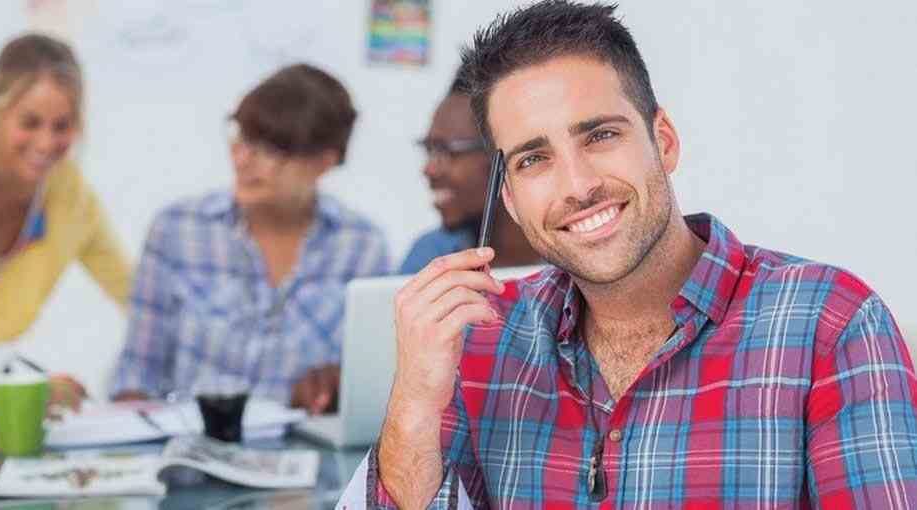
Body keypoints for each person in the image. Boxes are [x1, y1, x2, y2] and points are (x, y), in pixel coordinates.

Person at [345, 2, 917, 508]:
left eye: (600, 136)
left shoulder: (831, 324)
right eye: (533, 159)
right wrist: (413, 401)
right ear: (511, 200)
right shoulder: (481, 337)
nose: (578, 185)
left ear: (663, 141)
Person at [111, 64, 390, 414]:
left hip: (303, 447)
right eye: (242, 138)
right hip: (185, 444)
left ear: (323, 161)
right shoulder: (177, 229)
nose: (242, 159)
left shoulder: (362, 248)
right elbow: (136, 375)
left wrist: (332, 389)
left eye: (269, 150)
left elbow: (367, 390)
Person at [0, 34, 131, 419]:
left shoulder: (70, 197)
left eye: (62, 126)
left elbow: (135, 290)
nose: (46, 143)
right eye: (30, 122)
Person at [400, 71, 542, 274]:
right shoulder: (429, 255)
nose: (428, 170)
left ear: (504, 157)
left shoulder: (573, 259)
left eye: (444, 150)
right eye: (429, 150)